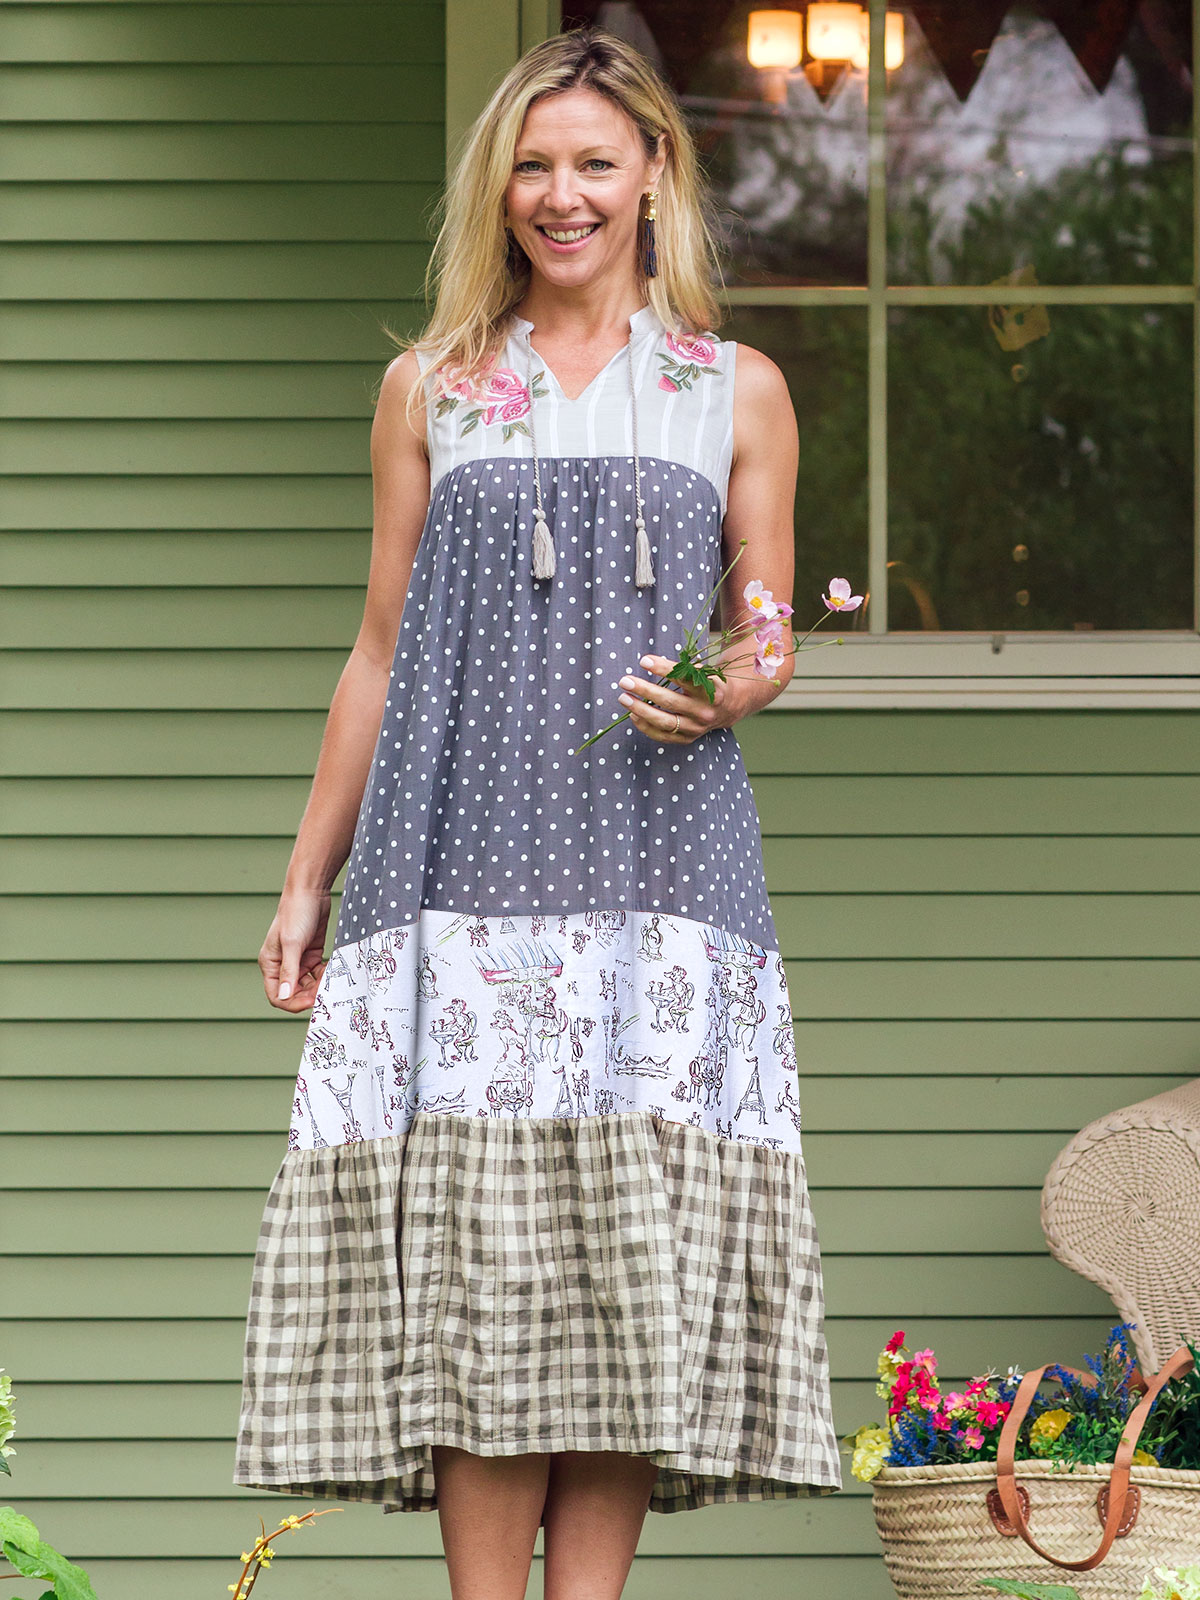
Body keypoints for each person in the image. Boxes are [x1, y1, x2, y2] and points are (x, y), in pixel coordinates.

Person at [233, 25, 842, 1600]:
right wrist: (308, 876)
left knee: (625, 1278)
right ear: (497, 188)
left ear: (653, 174)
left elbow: (768, 629)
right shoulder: (431, 388)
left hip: (661, 880)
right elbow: (379, 649)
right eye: (533, 166)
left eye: (593, 163)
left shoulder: (734, 390)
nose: (562, 195)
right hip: (458, 873)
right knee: (485, 1281)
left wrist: (728, 686)